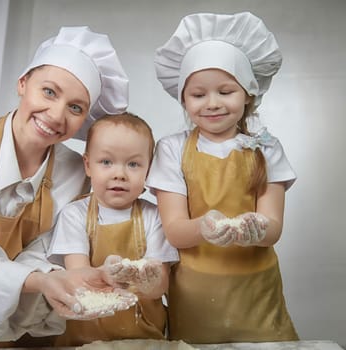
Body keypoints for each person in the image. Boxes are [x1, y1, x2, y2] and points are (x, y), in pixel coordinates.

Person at [0, 26, 131, 350]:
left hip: (34, 321)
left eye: (75, 107)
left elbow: (51, 249)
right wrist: (43, 279)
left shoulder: (77, 172)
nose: (56, 115)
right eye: (49, 92)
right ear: (23, 83)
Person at [146, 12, 299, 343]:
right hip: (194, 292)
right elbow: (174, 231)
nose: (212, 103)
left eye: (226, 91)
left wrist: (253, 229)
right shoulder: (172, 150)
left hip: (256, 289)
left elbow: (273, 229)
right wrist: (207, 227)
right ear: (183, 99)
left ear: (248, 93)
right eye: (198, 95)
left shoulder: (266, 148)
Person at [47, 112, 179, 346]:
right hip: (83, 338)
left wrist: (148, 282)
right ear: (88, 165)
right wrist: (108, 275)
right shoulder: (74, 215)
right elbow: (78, 278)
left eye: (133, 164)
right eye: (106, 162)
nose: (120, 173)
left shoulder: (154, 216)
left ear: (149, 171)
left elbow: (160, 286)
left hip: (143, 338)